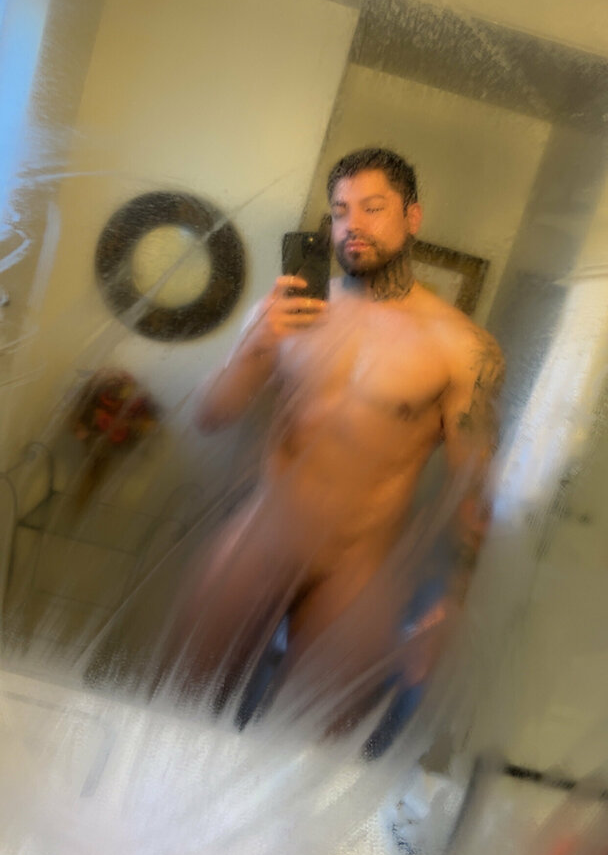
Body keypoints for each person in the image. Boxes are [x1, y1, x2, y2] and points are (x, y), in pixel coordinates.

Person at [172, 148, 504, 722]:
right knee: (175, 715)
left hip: (356, 572)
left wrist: (452, 601)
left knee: (312, 751)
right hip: (258, 541)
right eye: (341, 210)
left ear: (413, 217)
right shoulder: (290, 311)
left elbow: (473, 487)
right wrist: (255, 344)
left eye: (373, 208)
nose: (353, 225)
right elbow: (210, 417)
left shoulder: (462, 347)